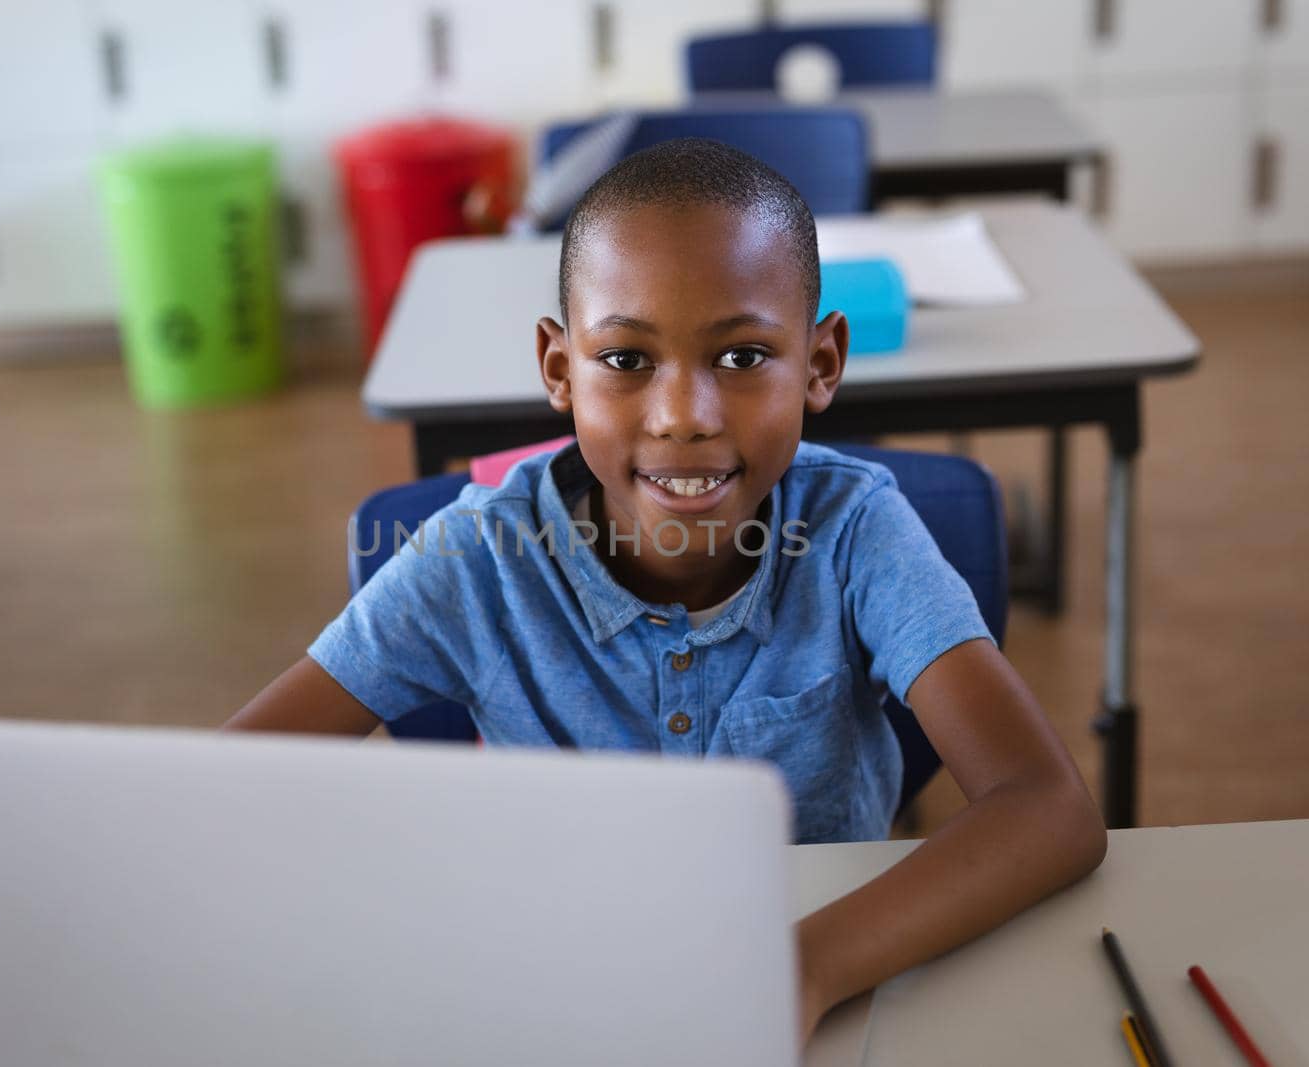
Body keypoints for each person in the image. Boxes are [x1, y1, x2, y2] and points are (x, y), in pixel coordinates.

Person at [225, 138, 1107, 1045]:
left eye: (742, 357)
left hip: (827, 983)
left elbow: (1048, 807)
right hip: (552, 994)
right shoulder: (474, 561)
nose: (684, 414)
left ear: (821, 362)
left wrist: (794, 972)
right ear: (560, 370)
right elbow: (213, 792)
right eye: (626, 360)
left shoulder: (854, 532)